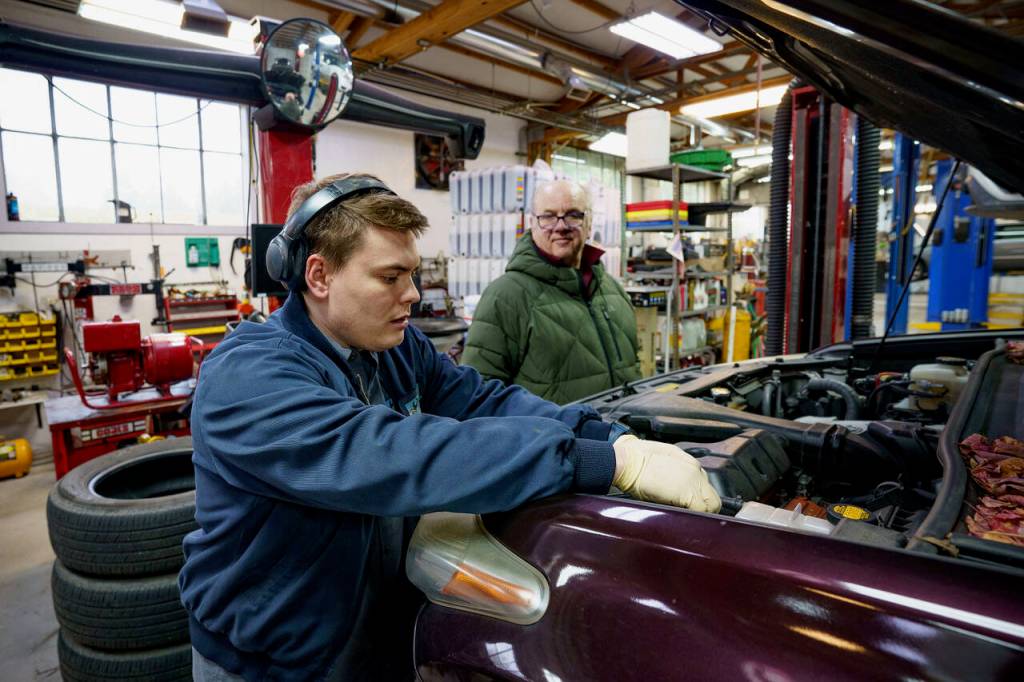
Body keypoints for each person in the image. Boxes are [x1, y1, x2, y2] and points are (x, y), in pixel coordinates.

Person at [179, 173, 720, 682]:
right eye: (391, 276)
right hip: (270, 662)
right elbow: (392, 456)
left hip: (369, 635)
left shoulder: (391, 348)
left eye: (412, 273)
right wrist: (597, 464)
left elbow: (481, 399)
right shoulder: (249, 376)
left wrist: (609, 436)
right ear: (319, 275)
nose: (412, 293)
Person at [463, 179, 641, 404]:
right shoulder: (505, 296)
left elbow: (633, 367)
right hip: (556, 438)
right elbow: (479, 395)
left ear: (590, 222)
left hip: (624, 434)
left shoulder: (612, 289)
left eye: (573, 215)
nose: (561, 226)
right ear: (532, 223)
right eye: (547, 216)